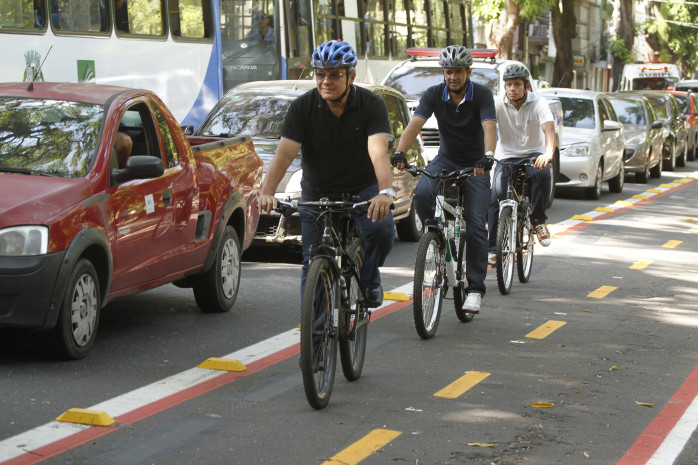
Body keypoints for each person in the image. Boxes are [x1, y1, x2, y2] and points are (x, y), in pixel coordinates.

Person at [258, 40, 394, 307]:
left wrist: (385, 192)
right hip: (317, 191)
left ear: (351, 77)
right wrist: (267, 191)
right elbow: (285, 155)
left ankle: (369, 277)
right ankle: (316, 338)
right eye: (320, 74)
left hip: (362, 188)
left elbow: (378, 153)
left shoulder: (371, 105)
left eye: (334, 75)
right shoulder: (302, 108)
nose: (325, 81)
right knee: (312, 265)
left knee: (381, 230)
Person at [391, 45, 497, 314]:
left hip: (476, 165)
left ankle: (474, 289)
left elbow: (489, 126)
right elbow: (414, 124)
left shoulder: (482, 95)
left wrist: (488, 155)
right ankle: (438, 240)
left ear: (468, 72)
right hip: (446, 158)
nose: (453, 77)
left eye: (458, 72)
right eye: (448, 72)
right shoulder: (434, 94)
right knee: (424, 191)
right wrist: (401, 151)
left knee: (474, 225)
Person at [488, 65, 555, 266]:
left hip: (534, 154)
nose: (512, 89)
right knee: (496, 197)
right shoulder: (497, 103)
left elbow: (549, 130)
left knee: (542, 175)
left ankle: (538, 220)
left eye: (517, 84)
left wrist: (548, 153)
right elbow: (486, 128)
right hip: (506, 155)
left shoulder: (539, 103)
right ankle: (493, 248)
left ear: (526, 86)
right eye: (508, 84)